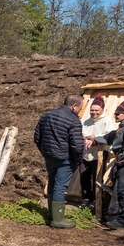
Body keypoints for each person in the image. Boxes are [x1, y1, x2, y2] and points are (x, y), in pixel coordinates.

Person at [89, 98, 124, 230]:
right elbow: (110, 137)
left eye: (118, 113)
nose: (115, 115)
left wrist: (121, 161)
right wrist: (94, 138)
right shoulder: (123, 126)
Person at [33, 93, 86, 229]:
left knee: (52, 182)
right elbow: (77, 145)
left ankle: (51, 214)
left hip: (50, 156)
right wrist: (78, 160)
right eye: (80, 107)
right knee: (60, 186)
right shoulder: (73, 120)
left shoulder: (47, 115)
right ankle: (58, 219)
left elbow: (37, 136)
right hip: (65, 158)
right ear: (74, 106)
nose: (80, 109)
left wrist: (45, 151)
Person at [80, 95, 113, 207]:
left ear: (102, 110)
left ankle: (95, 199)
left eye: (96, 110)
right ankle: (86, 197)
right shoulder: (86, 121)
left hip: (98, 154)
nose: (94, 112)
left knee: (96, 177)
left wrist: (95, 139)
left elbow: (108, 136)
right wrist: (83, 137)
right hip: (85, 154)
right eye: (92, 110)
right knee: (84, 176)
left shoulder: (106, 121)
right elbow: (82, 132)